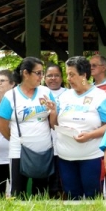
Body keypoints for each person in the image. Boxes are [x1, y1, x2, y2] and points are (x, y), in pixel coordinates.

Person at [55, 56, 106, 199]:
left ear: (84, 75)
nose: (68, 78)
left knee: (92, 197)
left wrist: (89, 135)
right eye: (67, 74)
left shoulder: (101, 96)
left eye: (72, 74)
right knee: (71, 196)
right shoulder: (64, 96)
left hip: (91, 156)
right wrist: (51, 111)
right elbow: (54, 123)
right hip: (65, 156)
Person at [0, 57, 57, 198]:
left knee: (41, 194)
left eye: (42, 73)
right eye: (38, 73)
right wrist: (16, 139)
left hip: (44, 151)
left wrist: (53, 112)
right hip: (19, 152)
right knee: (19, 193)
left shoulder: (46, 92)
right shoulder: (11, 96)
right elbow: (2, 126)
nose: (41, 77)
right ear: (25, 73)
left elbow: (53, 124)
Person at [43, 63, 66, 198]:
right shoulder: (39, 93)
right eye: (49, 75)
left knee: (61, 182)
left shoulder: (68, 94)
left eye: (56, 75)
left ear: (62, 78)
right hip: (44, 144)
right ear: (44, 78)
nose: (53, 78)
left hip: (62, 144)